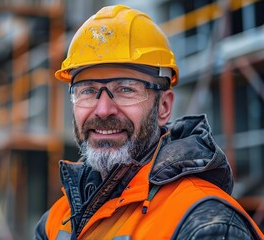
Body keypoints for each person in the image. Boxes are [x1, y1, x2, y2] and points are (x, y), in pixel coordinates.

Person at [35, 4, 264, 240]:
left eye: (125, 89)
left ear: (163, 107)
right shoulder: (57, 219)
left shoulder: (204, 224)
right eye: (88, 91)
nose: (103, 110)